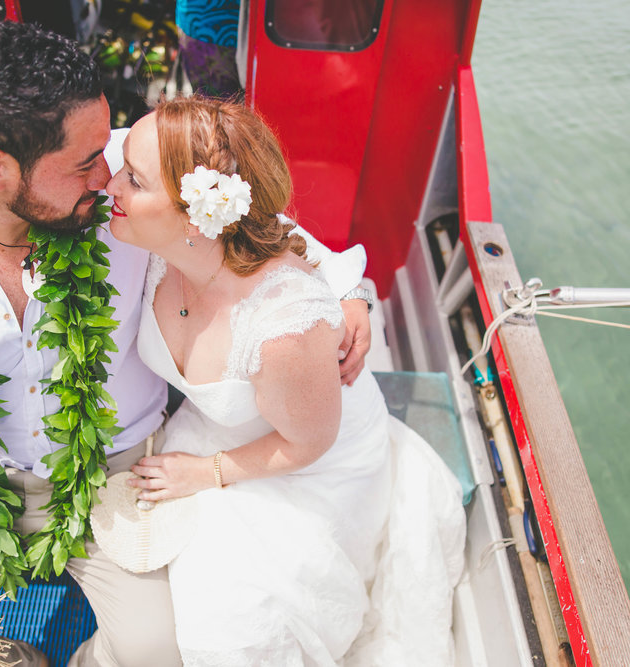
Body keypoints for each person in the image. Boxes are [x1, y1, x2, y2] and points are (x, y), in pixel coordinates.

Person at [0, 22, 374, 667]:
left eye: (109, 150)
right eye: (86, 163)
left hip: (118, 468)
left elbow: (231, 218)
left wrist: (344, 289)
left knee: (160, 654)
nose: (108, 173)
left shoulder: (128, 187)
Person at [104, 96, 466, 665]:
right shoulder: (158, 239)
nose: (110, 185)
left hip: (306, 460)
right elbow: (292, 234)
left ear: (198, 214)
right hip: (230, 424)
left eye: (133, 180)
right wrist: (353, 289)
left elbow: (308, 442)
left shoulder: (281, 325)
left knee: (229, 629)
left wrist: (206, 473)